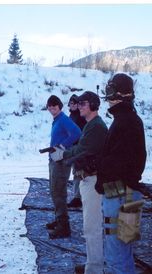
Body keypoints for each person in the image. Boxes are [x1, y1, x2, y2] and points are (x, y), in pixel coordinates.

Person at [50, 91, 108, 274]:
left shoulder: (96, 126)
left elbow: (84, 148)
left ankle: (95, 269)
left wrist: (63, 154)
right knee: (90, 226)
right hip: (88, 178)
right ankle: (93, 265)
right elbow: (81, 147)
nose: (79, 106)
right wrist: (66, 153)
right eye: (79, 103)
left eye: (83, 103)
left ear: (92, 105)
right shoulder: (91, 125)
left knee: (92, 227)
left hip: (93, 179)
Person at [95, 73, 146, 274]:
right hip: (130, 192)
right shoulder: (132, 119)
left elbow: (118, 163)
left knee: (116, 255)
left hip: (118, 193)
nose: (108, 100)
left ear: (117, 95)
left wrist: (99, 166)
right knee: (125, 252)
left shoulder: (123, 121)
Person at [45, 95, 81, 239]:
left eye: (55, 106)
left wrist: (62, 147)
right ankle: (59, 218)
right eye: (50, 106)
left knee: (58, 191)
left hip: (61, 161)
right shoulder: (57, 120)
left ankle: (64, 227)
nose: (52, 108)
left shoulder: (64, 119)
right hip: (54, 159)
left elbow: (77, 133)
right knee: (54, 190)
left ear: (60, 106)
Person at [67, 94, 87, 208]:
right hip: (73, 148)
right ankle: (78, 196)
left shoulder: (80, 116)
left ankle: (78, 197)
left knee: (79, 173)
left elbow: (82, 133)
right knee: (76, 172)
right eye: (71, 103)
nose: (72, 104)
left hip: (79, 148)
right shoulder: (71, 116)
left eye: (75, 103)